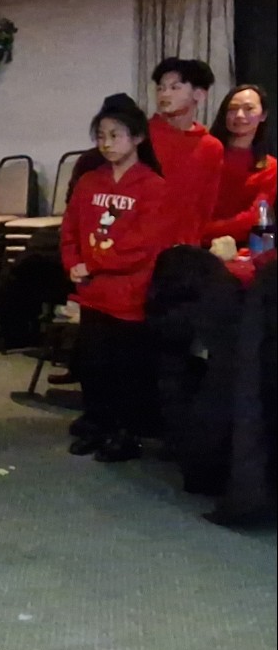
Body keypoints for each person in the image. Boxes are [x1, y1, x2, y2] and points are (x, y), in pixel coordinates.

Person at [60, 93, 168, 462]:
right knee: (93, 365)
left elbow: (140, 247)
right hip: (93, 293)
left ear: (137, 138)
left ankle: (124, 434)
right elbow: (70, 229)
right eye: (101, 136)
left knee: (125, 370)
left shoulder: (152, 186)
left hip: (128, 294)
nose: (107, 143)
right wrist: (73, 262)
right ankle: (97, 425)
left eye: (116, 135)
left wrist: (94, 265)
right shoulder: (90, 181)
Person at [147, 57, 225, 246]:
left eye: (175, 87)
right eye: (160, 88)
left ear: (199, 94)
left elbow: (206, 206)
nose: (165, 93)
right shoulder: (140, 135)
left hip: (184, 249)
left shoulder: (211, 147)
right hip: (138, 247)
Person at [203, 84, 275, 245]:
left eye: (249, 108)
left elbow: (254, 216)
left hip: (243, 247)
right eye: (232, 109)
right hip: (193, 243)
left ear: (263, 115)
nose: (239, 115)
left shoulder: (270, 167)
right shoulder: (205, 151)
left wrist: (204, 231)